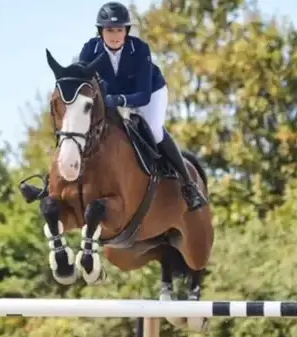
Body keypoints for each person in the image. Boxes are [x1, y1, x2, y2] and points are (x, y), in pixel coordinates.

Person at [78, 1, 207, 211]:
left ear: (126, 31)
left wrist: (120, 100)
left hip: (150, 93)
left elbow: (143, 95)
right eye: (109, 30)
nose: (115, 35)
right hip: (109, 98)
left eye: (119, 29)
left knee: (154, 131)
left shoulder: (139, 49)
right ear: (100, 31)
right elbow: (82, 80)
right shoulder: (89, 50)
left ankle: (188, 185)